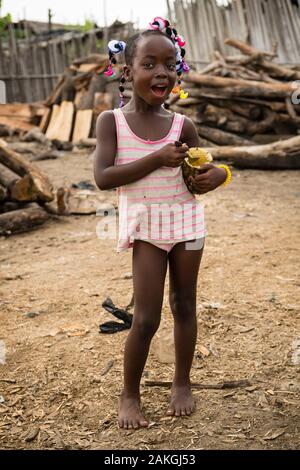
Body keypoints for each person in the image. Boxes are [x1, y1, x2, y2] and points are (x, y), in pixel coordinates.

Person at [94, 17, 231, 430]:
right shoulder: (110, 123)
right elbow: (103, 178)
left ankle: (182, 383)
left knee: (185, 305)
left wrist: (218, 175)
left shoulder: (181, 125)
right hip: (148, 231)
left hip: (188, 226)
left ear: (178, 71)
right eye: (149, 64)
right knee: (147, 318)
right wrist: (156, 158)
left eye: (169, 64)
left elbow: (198, 173)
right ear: (127, 71)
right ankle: (130, 394)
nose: (161, 73)